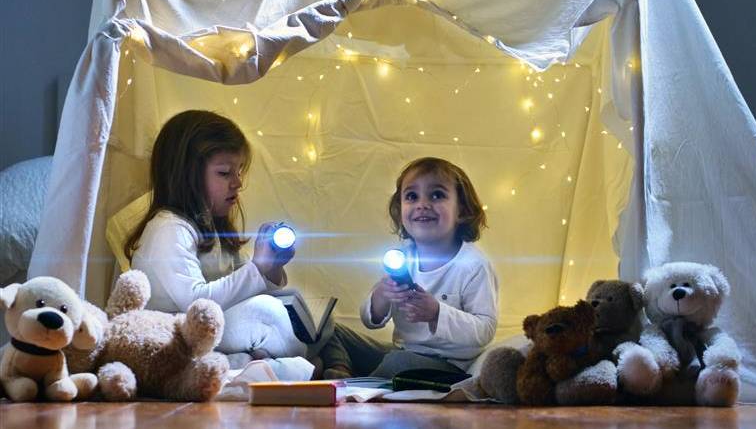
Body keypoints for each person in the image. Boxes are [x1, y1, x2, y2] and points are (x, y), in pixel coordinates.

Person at [125, 110, 306, 363]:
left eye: (239, 171)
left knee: (301, 307)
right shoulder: (169, 228)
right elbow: (196, 303)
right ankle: (300, 364)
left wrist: (272, 267)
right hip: (178, 336)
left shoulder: (214, 228)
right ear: (187, 176)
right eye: (224, 173)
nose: (238, 182)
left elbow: (243, 286)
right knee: (266, 314)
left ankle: (280, 363)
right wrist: (258, 268)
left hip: (209, 331)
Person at [320, 157, 499, 378]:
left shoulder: (473, 265)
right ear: (400, 209)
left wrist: (437, 313)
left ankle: (360, 384)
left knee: (397, 362)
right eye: (411, 196)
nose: (422, 204)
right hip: (403, 352)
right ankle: (341, 370)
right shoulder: (401, 257)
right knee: (330, 330)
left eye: (437, 195)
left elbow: (484, 330)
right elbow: (370, 321)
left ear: (461, 210)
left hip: (450, 365)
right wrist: (380, 298)